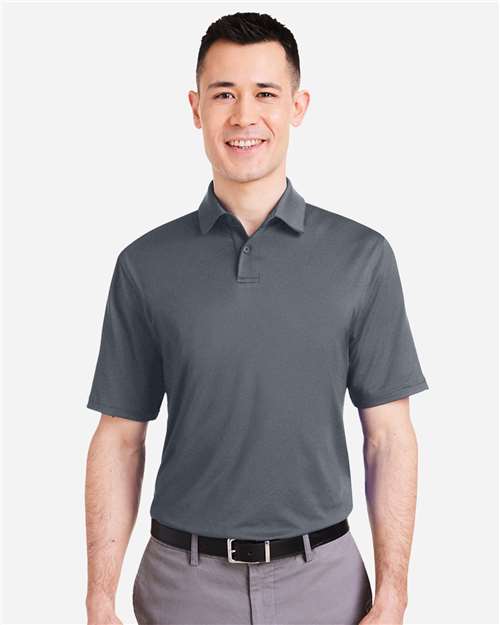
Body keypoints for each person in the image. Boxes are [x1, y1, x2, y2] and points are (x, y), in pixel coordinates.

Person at [84, 11, 429, 625]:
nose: (244, 115)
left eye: (265, 93)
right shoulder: (144, 264)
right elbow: (119, 437)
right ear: (196, 108)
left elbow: (389, 436)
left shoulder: (363, 257)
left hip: (324, 581)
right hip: (181, 584)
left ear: (298, 106)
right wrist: (98, 598)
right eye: (224, 94)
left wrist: (394, 593)